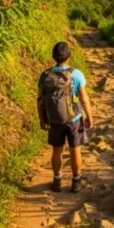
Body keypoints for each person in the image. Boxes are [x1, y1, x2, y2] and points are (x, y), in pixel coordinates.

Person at [37, 41, 93, 193]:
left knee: (57, 151)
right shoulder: (76, 74)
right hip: (74, 120)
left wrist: (42, 120)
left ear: (53, 57)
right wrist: (89, 116)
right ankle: (76, 182)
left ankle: (57, 181)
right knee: (75, 151)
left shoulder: (45, 75)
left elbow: (40, 101)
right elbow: (84, 98)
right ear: (69, 56)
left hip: (55, 120)